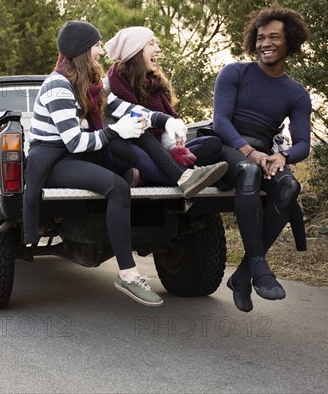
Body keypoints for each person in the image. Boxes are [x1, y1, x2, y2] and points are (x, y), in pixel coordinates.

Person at [23, 20, 227, 306]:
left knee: (137, 123)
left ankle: (182, 178)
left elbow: (127, 110)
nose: (101, 52)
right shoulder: (57, 87)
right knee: (117, 187)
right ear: (82, 50)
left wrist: (167, 120)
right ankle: (128, 275)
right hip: (55, 160)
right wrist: (114, 131)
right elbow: (74, 143)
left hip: (78, 152)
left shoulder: (92, 84)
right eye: (96, 46)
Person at [212, 5, 311, 312]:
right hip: (228, 148)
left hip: (265, 154)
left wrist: (282, 156)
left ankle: (242, 276)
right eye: (260, 37)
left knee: (288, 187)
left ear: (289, 41)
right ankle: (258, 264)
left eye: (274, 37)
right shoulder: (235, 72)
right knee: (249, 171)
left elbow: (304, 143)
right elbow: (221, 122)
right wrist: (251, 153)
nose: (265, 43)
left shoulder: (296, 93)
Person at [104, 26, 223, 185]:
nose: (158, 49)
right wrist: (162, 122)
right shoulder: (108, 86)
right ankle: (182, 175)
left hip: (160, 151)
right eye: (151, 44)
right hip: (129, 150)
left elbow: (166, 131)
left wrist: (174, 148)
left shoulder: (154, 84)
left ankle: (151, 176)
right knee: (140, 128)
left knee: (212, 144)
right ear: (135, 51)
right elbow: (111, 130)